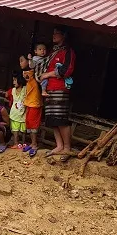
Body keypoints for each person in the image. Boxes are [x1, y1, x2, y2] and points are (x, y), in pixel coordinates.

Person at [40, 27, 76, 158]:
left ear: (64, 35)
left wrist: (46, 75)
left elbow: (66, 71)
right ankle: (59, 145)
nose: (53, 35)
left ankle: (67, 147)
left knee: (60, 119)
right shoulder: (52, 52)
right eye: (53, 33)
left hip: (60, 88)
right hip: (49, 88)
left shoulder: (68, 52)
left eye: (57, 33)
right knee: (52, 119)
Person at [22, 67, 43, 157]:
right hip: (30, 104)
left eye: (27, 74)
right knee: (29, 124)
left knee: (33, 125)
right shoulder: (28, 82)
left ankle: (34, 144)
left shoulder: (34, 81)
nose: (26, 76)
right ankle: (32, 143)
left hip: (35, 104)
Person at [7, 73, 27, 148]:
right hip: (14, 113)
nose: (13, 82)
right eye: (13, 80)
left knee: (23, 130)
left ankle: (23, 143)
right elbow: (6, 94)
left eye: (15, 80)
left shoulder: (25, 89)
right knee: (15, 130)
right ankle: (16, 143)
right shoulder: (12, 90)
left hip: (23, 113)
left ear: (20, 80)